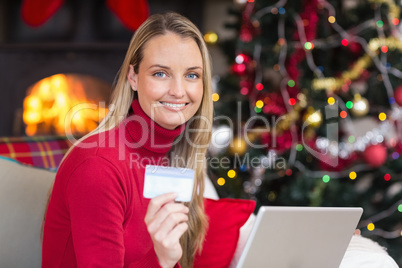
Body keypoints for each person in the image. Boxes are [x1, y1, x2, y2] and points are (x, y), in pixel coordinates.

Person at [41, 12, 213, 268]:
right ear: (133, 77)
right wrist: (161, 259)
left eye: (191, 75)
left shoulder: (175, 156)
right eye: (160, 73)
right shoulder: (98, 166)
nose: (178, 91)